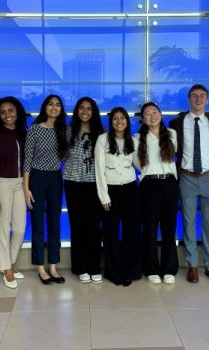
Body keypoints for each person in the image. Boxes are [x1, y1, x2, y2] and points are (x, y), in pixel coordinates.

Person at [169, 84, 209, 284]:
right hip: (186, 177)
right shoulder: (176, 122)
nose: (198, 99)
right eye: (194, 96)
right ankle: (192, 265)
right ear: (188, 100)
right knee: (188, 222)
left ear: (207, 100)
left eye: (202, 96)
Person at [24, 94, 68, 285]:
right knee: (38, 223)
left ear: (61, 109)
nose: (54, 107)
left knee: (54, 223)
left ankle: (53, 266)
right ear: (45, 107)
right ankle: (40, 267)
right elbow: (27, 159)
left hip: (55, 178)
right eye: (50, 104)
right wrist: (26, 188)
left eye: (57, 105)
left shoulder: (63, 130)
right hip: (36, 178)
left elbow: (65, 156)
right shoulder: (34, 129)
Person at [95, 107, 141, 286]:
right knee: (110, 233)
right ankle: (113, 272)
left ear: (127, 121)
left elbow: (138, 165)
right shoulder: (102, 139)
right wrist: (103, 196)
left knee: (132, 232)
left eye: (123, 118)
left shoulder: (133, 140)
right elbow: (99, 169)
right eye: (115, 118)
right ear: (111, 121)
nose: (119, 121)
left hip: (130, 189)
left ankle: (130, 270)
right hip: (110, 190)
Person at [0, 96, 27, 289]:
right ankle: (6, 268)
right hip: (2, 184)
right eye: (3, 112)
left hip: (21, 183)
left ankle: (8, 263)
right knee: (3, 227)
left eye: (11, 110)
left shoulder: (23, 134)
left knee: (19, 228)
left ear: (17, 111)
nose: (7, 115)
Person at [135, 102, 178, 285]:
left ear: (161, 114)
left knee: (169, 228)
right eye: (147, 113)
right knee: (150, 228)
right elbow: (138, 164)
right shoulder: (137, 138)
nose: (152, 115)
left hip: (169, 183)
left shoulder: (172, 134)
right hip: (149, 184)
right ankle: (151, 268)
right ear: (142, 119)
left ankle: (169, 269)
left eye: (155, 112)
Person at [64, 97, 104, 284]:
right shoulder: (68, 131)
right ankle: (80, 267)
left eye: (88, 108)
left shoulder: (101, 133)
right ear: (77, 111)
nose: (85, 111)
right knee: (77, 226)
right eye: (81, 108)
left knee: (94, 227)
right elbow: (62, 155)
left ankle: (94, 266)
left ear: (93, 111)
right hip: (73, 183)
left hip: (94, 183)